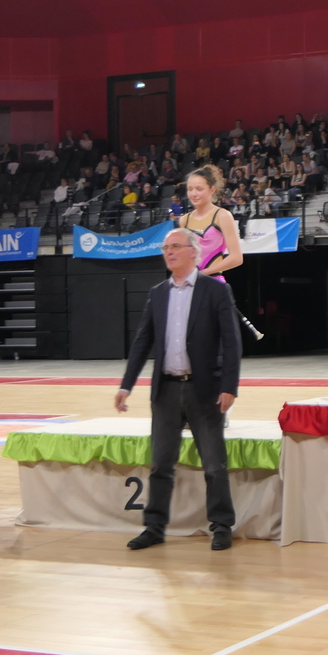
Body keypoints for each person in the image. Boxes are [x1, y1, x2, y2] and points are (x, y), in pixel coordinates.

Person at [116, 229, 242, 552]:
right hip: (166, 391)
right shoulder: (158, 293)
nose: (168, 252)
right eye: (165, 247)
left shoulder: (215, 291)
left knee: (214, 465)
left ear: (193, 252)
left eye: (175, 246)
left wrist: (229, 386)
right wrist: (126, 384)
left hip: (204, 390)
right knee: (160, 465)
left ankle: (221, 526)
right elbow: (142, 341)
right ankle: (154, 527)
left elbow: (232, 342)